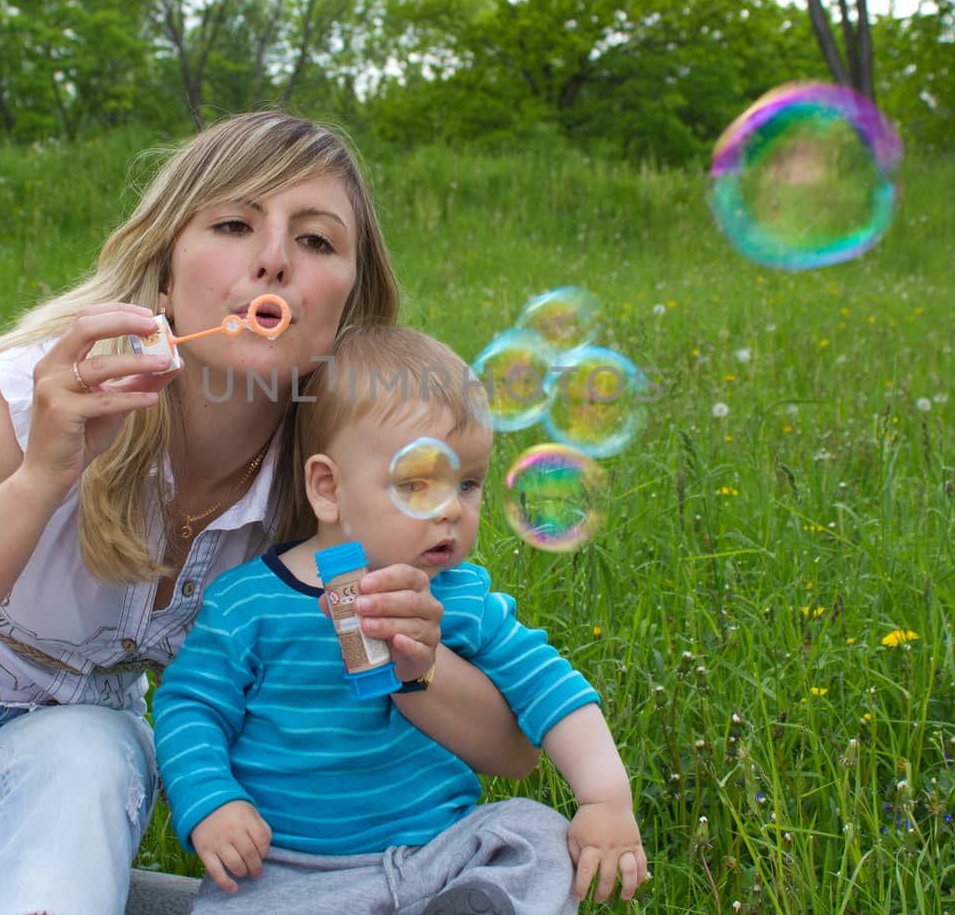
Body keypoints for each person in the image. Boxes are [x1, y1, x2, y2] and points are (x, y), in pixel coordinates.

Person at [0, 112, 542, 915]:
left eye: (316, 241)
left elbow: (508, 748)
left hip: (83, 731)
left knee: (84, 766)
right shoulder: (38, 394)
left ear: (348, 308)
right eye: (235, 224)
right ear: (165, 274)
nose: (274, 258)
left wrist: (411, 657)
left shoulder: (328, 489)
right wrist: (43, 476)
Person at [152, 325, 648, 915]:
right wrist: (211, 803)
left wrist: (605, 799)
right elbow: (189, 706)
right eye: (416, 485)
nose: (448, 509)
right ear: (329, 489)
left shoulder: (461, 600)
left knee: (534, 832)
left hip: (440, 859)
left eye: (467, 484)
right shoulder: (247, 605)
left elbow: (551, 688)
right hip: (289, 872)